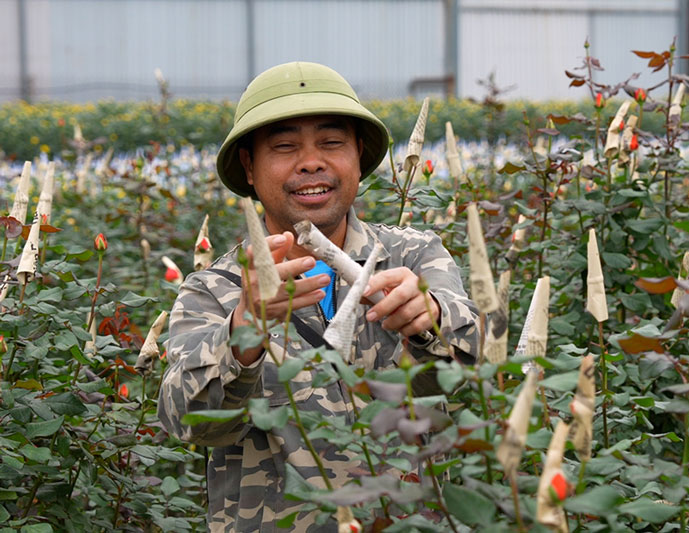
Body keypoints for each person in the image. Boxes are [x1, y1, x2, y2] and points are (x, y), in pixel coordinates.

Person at [158, 61, 479, 532]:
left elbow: (476, 379)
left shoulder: (411, 257)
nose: (311, 162)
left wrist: (429, 319)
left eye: (331, 143)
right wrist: (242, 335)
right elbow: (190, 424)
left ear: (359, 155)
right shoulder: (217, 288)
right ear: (249, 166)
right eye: (285, 146)